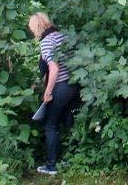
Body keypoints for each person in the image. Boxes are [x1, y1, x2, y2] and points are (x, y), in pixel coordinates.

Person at [27, 12, 79, 176]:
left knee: (50, 124)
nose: (32, 32)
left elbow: (54, 69)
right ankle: (69, 158)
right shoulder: (60, 35)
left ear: (37, 26)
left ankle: (51, 166)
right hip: (73, 85)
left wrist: (48, 92)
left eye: (32, 28)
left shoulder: (46, 41)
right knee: (66, 120)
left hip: (61, 87)